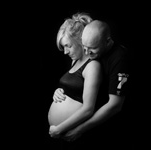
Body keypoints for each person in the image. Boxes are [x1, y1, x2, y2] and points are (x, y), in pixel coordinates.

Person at [53, 19, 131, 149]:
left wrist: (79, 129)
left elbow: (115, 105)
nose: (87, 53)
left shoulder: (119, 59)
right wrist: (60, 92)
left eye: (92, 49)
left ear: (107, 41)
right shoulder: (90, 53)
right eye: (85, 47)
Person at [48, 13, 103, 147]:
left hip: (76, 136)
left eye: (68, 46)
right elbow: (73, 88)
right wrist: (58, 92)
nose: (65, 52)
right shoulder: (75, 61)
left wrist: (59, 129)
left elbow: (88, 109)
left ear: (79, 40)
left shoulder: (92, 66)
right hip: (61, 134)